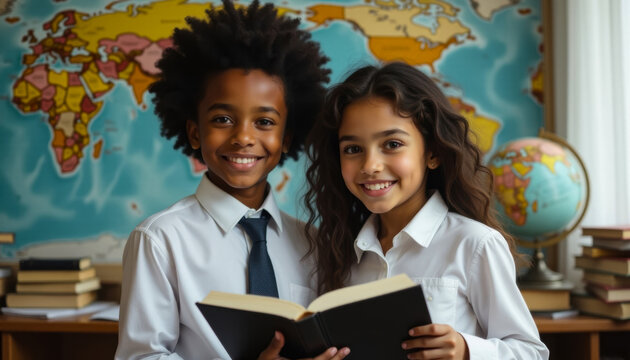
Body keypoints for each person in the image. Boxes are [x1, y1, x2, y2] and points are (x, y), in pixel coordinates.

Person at [116, 1, 349, 359]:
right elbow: (140, 356)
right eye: (223, 119)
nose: (243, 137)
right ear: (194, 133)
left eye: (265, 122)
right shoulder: (160, 241)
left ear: (286, 139)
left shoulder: (313, 243)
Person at [303, 62, 549, 359]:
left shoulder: (474, 245)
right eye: (353, 149)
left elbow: (532, 352)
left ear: (432, 153)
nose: (370, 166)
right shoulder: (339, 253)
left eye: (392, 144)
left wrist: (466, 350)